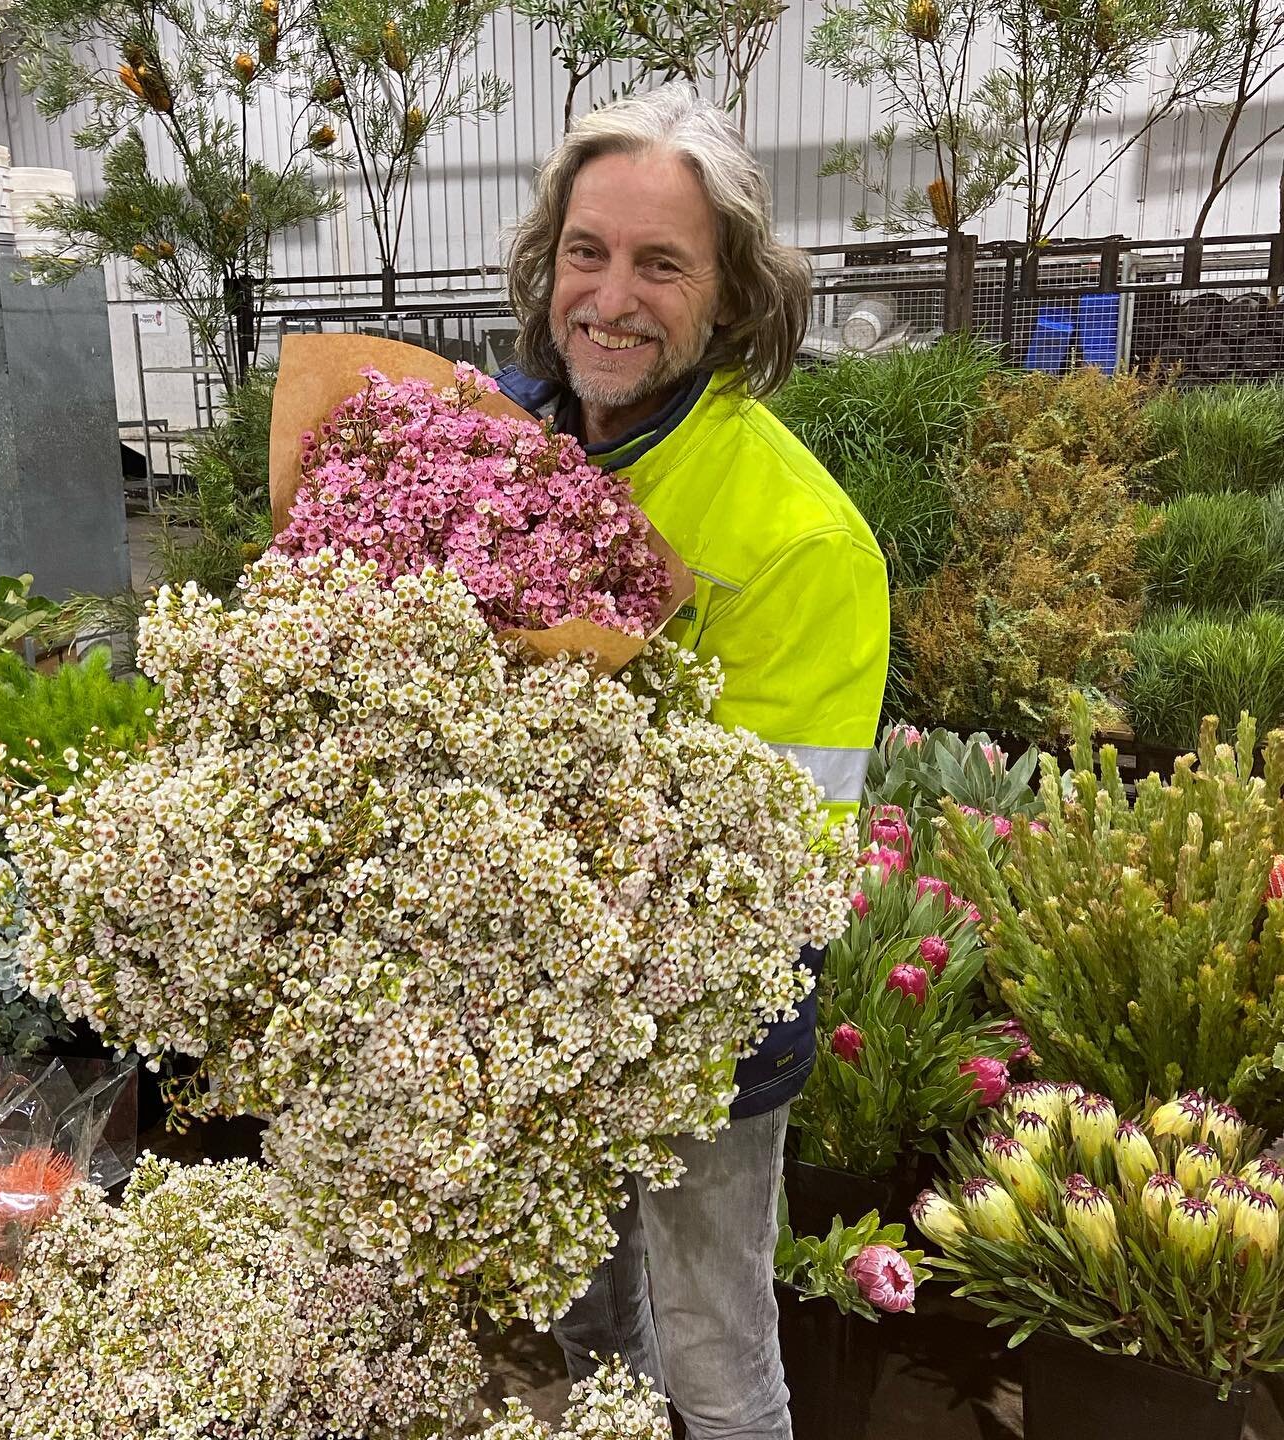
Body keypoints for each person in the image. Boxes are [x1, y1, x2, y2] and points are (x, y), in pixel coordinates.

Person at [496, 82, 890, 1440]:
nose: (610, 295)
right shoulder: (505, 443)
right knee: (579, 1313)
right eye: (586, 251)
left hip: (706, 1023)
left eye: (662, 262)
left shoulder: (797, 537)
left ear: (731, 299)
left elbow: (777, 872)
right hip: (521, 990)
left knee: (714, 1348)